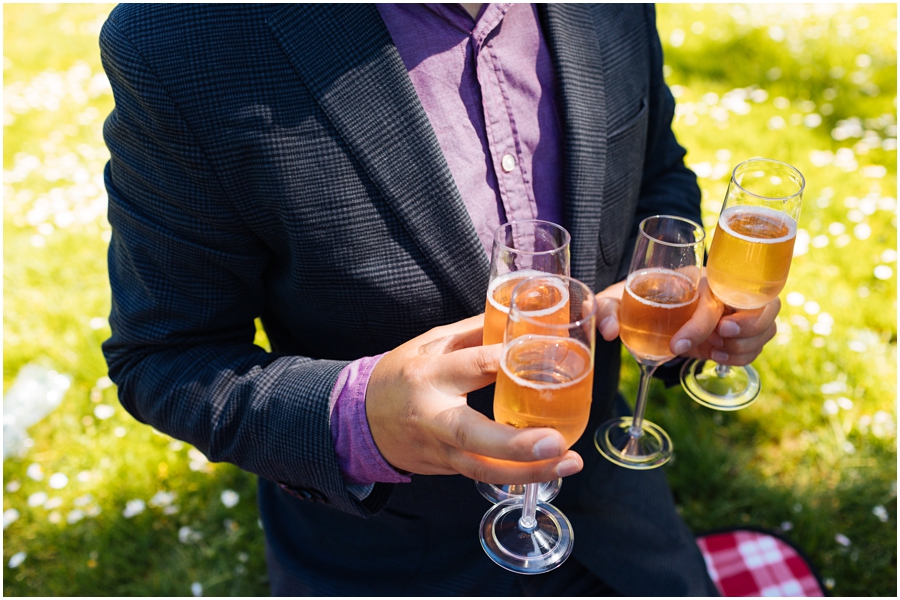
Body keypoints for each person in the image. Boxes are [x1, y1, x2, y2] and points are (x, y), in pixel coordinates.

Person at [99, 3, 778, 596]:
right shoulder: (177, 38)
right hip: (386, 557)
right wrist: (361, 418)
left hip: (616, 522)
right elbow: (165, 356)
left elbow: (655, 169)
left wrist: (680, 302)